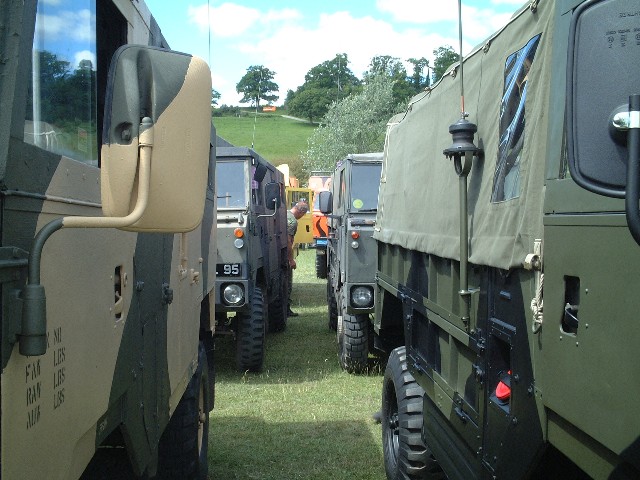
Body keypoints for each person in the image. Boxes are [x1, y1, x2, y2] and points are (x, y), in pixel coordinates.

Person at [287, 200, 309, 317]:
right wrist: (291, 260)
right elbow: (288, 242)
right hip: (284, 257)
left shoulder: (285, 214)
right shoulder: (292, 221)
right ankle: (286, 309)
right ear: (301, 212)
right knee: (287, 284)